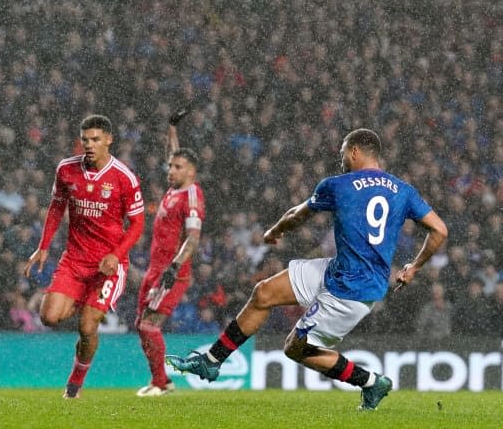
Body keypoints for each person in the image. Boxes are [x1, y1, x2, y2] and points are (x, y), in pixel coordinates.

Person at [167, 128, 448, 411]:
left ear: (354, 152)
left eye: (342, 153)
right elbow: (439, 230)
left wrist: (275, 231)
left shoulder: (338, 185)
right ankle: (210, 361)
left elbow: (296, 215)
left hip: (351, 291)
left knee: (294, 348)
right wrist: (413, 267)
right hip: (344, 272)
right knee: (263, 293)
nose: (341, 160)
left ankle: (371, 381)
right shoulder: (403, 190)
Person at [24, 114, 145, 398]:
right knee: (49, 317)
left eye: (95, 140)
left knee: (87, 325)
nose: (89, 145)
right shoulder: (66, 169)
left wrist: (116, 255)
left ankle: (74, 385)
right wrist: (43, 246)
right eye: (85, 140)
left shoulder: (123, 177)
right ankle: (81, 299)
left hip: (108, 265)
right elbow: (56, 207)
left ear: (109, 140)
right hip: (74, 261)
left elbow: (138, 223)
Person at [134, 107, 207, 397]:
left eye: (177, 168)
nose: (171, 170)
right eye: (170, 166)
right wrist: (172, 128)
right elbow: (174, 154)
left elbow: (193, 239)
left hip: (171, 273)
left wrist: (174, 269)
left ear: (191, 171)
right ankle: (159, 380)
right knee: (141, 326)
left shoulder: (191, 197)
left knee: (150, 326)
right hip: (155, 269)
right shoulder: (175, 188)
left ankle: (162, 383)